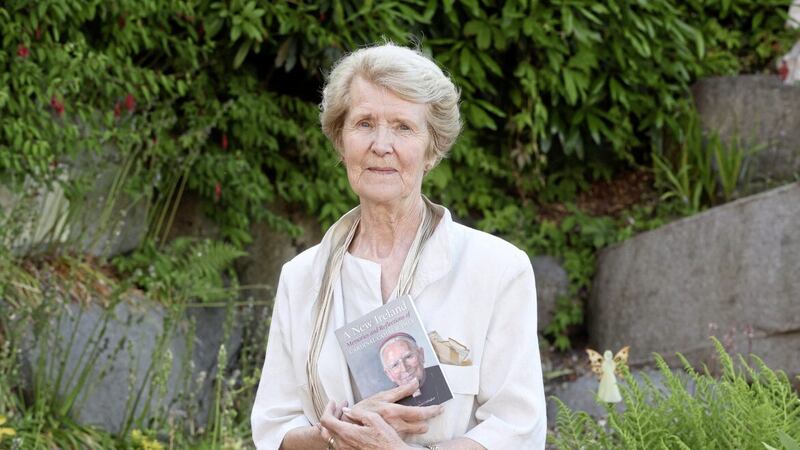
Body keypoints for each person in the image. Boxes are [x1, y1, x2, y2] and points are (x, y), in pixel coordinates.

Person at [251, 42, 546, 450]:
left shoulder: (497, 269)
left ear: (432, 149)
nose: (381, 145)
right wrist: (342, 435)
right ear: (340, 140)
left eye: (403, 127)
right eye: (365, 123)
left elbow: (516, 428)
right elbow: (275, 428)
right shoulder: (302, 277)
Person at [379, 333, 450, 407]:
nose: (404, 369)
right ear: (389, 374)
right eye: (395, 365)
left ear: (421, 354)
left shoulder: (445, 375)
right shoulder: (391, 405)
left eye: (408, 356)